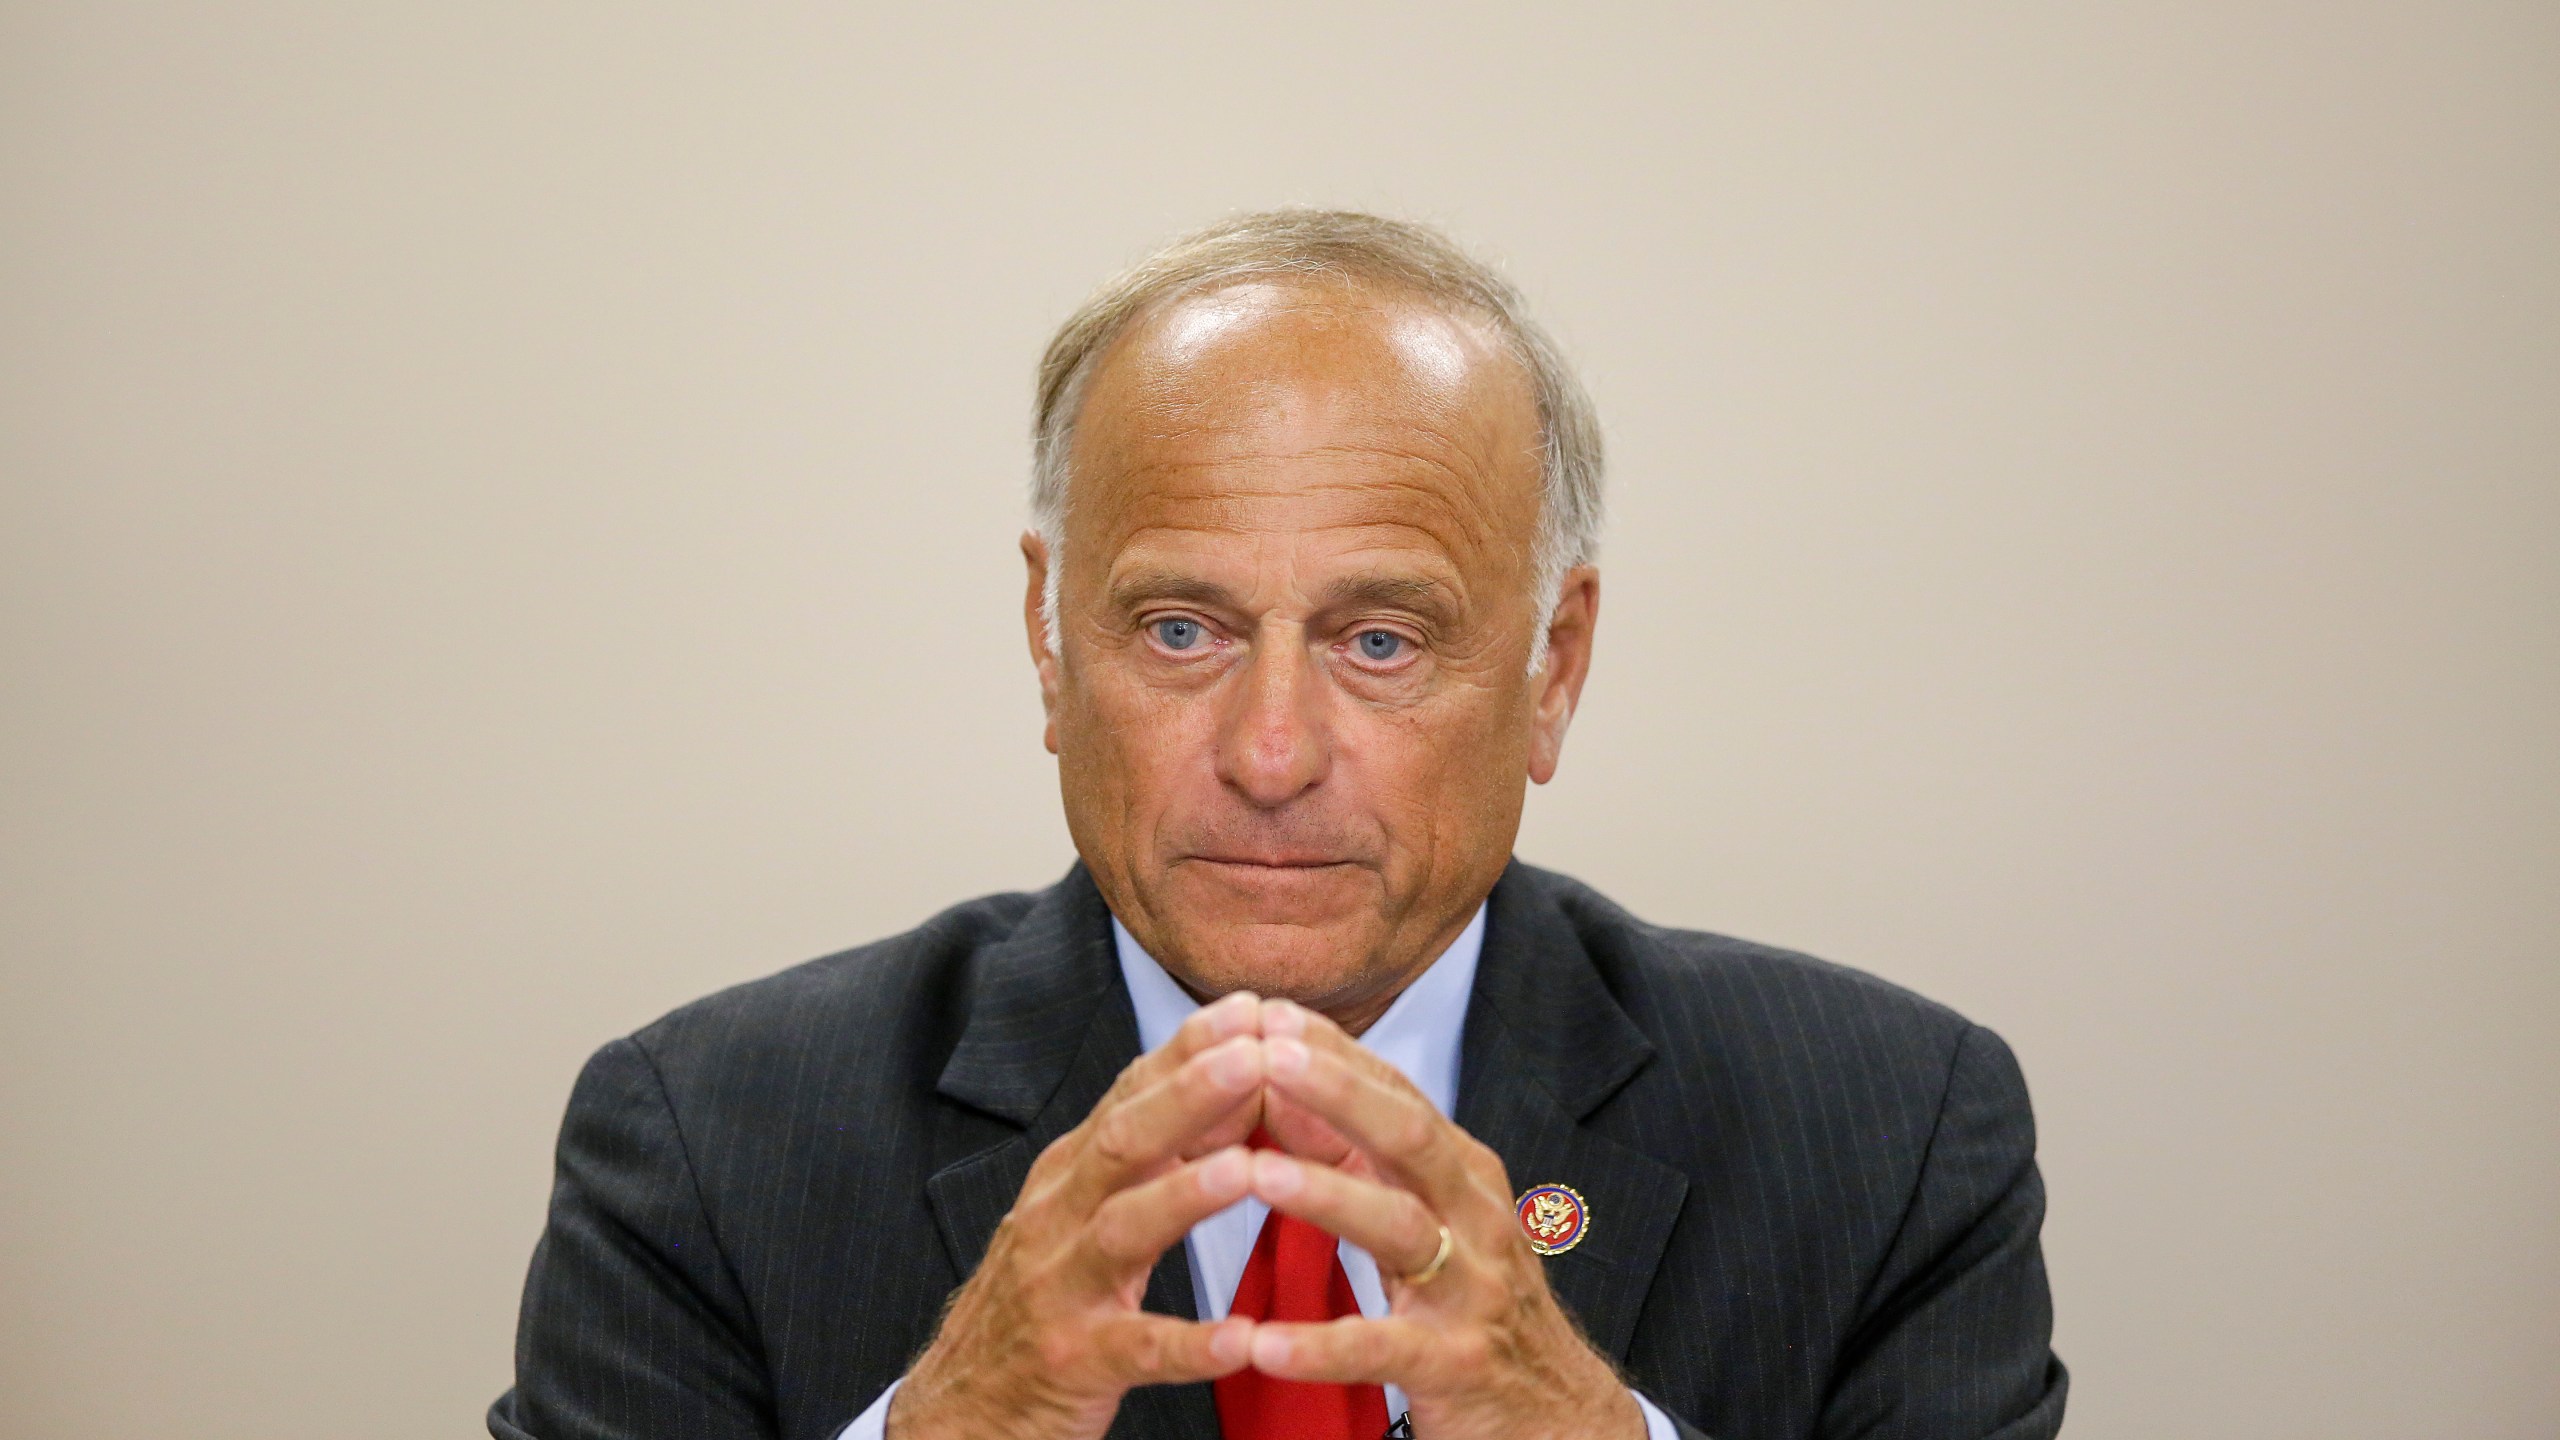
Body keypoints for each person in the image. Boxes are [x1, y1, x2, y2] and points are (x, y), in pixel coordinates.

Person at [489, 210, 2066, 1440]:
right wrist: (953, 1419)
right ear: (1051, 641)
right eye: (1181, 628)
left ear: (1552, 671)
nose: (1269, 750)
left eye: (1383, 641)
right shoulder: (702, 1145)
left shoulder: (1892, 1134)